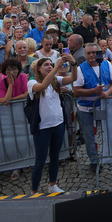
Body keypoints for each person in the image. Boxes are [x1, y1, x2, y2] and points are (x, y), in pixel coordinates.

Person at [27, 56, 76, 194]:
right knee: (40, 160)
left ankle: (52, 184)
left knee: (55, 157)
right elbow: (43, 86)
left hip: (58, 124)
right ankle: (34, 191)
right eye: (46, 65)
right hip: (42, 127)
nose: (49, 66)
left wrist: (74, 63)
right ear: (38, 68)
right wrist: (57, 66)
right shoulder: (32, 82)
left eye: (51, 64)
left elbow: (73, 78)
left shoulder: (56, 80)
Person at [73, 43, 112, 172]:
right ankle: (94, 160)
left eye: (94, 52)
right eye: (89, 53)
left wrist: (107, 93)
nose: (92, 55)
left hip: (105, 106)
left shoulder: (106, 64)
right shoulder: (80, 69)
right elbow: (76, 91)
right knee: (90, 137)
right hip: (86, 109)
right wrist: (93, 91)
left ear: (99, 53)